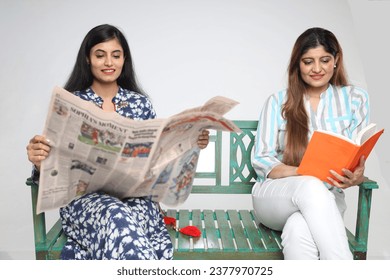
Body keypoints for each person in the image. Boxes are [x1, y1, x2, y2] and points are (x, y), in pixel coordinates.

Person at [26, 24, 210, 260]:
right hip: (88, 202)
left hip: (136, 199)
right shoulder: (72, 102)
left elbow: (158, 159)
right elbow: (56, 163)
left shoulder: (140, 103)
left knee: (128, 216)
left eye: (116, 55)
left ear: (124, 59)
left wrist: (190, 141)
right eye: (100, 55)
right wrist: (40, 160)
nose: (108, 62)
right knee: (115, 215)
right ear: (87, 59)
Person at [251, 27, 369, 260]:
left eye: (325, 60)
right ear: (298, 64)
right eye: (308, 62)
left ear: (336, 60)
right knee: (309, 184)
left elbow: (356, 153)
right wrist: (304, 173)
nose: (317, 69)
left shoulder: (356, 99)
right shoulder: (277, 102)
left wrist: (357, 175)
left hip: (327, 199)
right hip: (275, 197)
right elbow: (261, 159)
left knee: (298, 231)